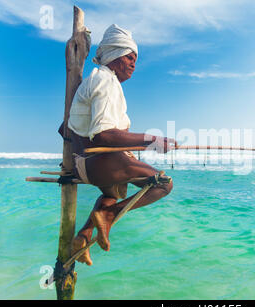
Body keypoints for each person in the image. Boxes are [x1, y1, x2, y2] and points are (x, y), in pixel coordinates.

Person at [59, 24, 175, 266]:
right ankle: (108, 216)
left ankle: (83, 235)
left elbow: (65, 128)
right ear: (114, 56)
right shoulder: (105, 81)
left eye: (136, 59)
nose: (134, 63)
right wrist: (153, 141)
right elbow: (103, 136)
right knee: (163, 184)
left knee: (113, 194)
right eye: (129, 57)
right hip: (97, 164)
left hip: (87, 165)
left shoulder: (97, 81)